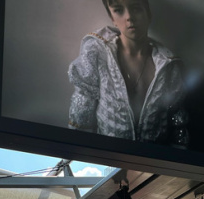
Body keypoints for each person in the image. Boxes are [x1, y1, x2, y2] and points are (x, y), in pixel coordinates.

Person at [68, 0, 186, 145]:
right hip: (108, 159)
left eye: (136, 8)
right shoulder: (97, 53)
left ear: (148, 14)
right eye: (118, 10)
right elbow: (81, 120)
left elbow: (178, 124)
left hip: (153, 162)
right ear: (112, 18)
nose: (129, 17)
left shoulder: (168, 66)